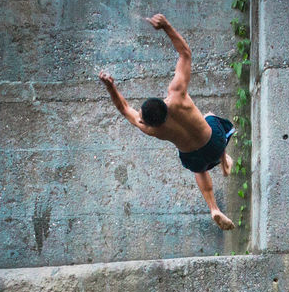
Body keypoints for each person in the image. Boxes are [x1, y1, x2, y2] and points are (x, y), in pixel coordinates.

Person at [99, 14, 236, 230]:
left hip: (193, 158)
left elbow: (124, 108)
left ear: (153, 122)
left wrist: (110, 87)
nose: (141, 119)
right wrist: (166, 27)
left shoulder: (153, 130)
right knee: (209, 117)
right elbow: (185, 53)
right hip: (214, 141)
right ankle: (223, 158)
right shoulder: (177, 95)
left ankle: (214, 208)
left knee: (199, 170)